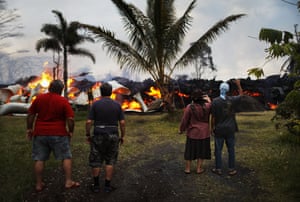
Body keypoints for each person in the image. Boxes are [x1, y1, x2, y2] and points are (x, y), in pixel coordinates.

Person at [26, 79, 80, 192]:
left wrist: (29, 129)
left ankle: (39, 184)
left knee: (39, 159)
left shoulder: (39, 98)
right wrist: (71, 131)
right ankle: (68, 181)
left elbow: (31, 114)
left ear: (49, 87)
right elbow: (70, 119)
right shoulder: (63, 101)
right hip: (59, 133)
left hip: (40, 133)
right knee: (66, 156)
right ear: (61, 90)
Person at [85, 82, 125, 193]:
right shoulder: (117, 105)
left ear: (101, 92)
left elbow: (88, 122)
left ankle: (96, 186)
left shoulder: (95, 104)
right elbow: (122, 123)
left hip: (98, 134)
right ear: (111, 92)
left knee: (96, 160)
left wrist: (88, 134)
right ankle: (107, 186)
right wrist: (122, 136)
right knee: (110, 160)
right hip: (113, 135)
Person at [211, 79, 243, 176]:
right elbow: (241, 95)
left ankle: (218, 168)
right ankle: (231, 169)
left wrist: (211, 128)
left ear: (220, 89)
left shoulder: (215, 101)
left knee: (218, 150)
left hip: (219, 129)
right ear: (228, 90)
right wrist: (238, 84)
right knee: (231, 150)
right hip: (230, 128)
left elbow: (213, 117)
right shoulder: (232, 100)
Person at [179, 89, 212, 174]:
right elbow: (212, 107)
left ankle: (187, 169)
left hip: (192, 133)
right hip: (204, 133)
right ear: (202, 97)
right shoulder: (208, 106)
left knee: (190, 150)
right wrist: (209, 100)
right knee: (202, 151)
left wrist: (181, 129)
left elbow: (185, 120)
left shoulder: (190, 107)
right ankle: (198, 169)